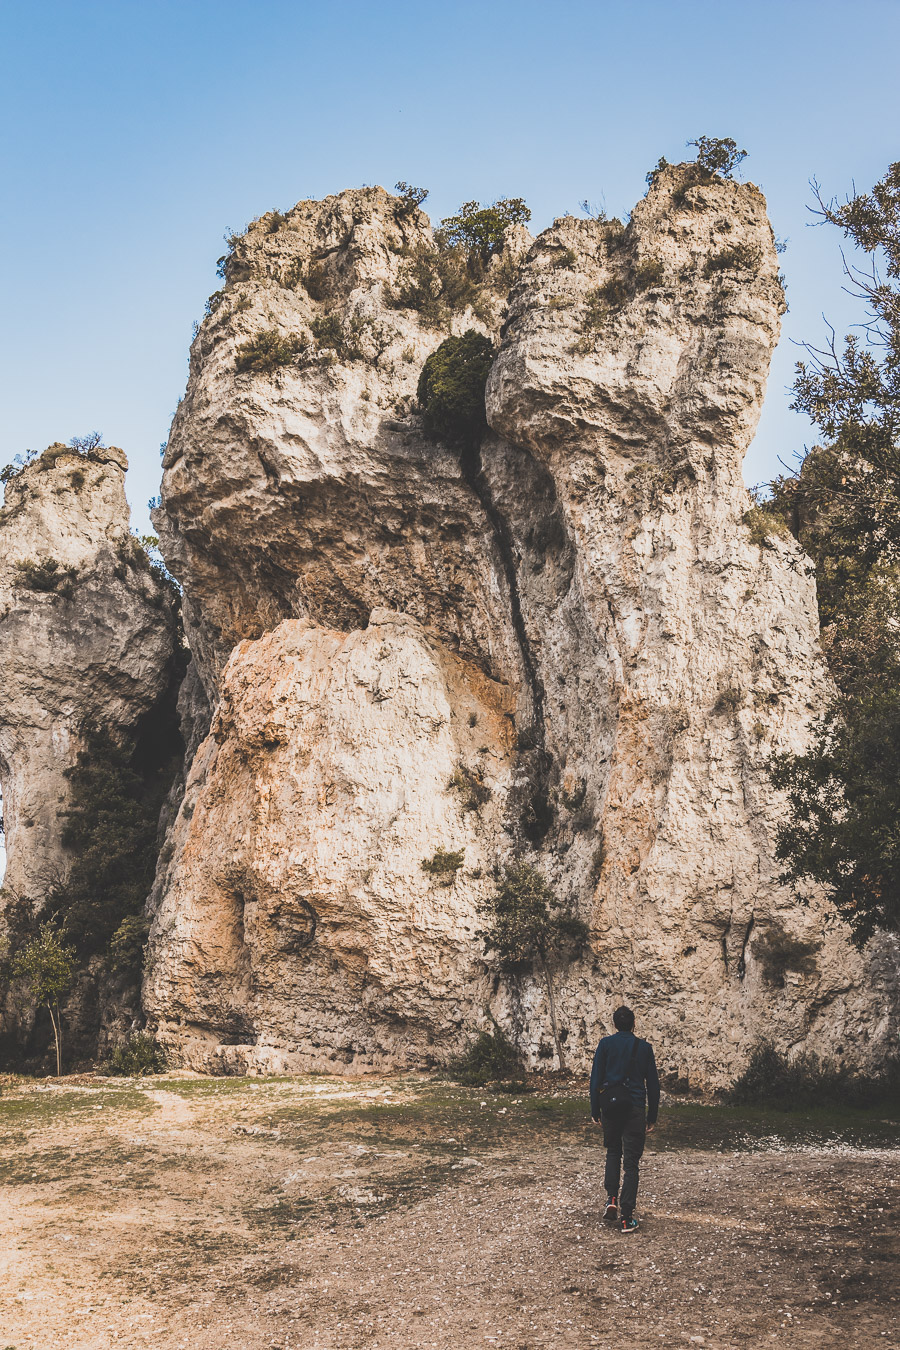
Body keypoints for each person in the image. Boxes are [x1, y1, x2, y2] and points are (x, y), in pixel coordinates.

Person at [589, 1005, 660, 1233]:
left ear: (614, 1024)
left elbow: (595, 1079)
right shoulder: (645, 1048)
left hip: (610, 1106)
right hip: (635, 1108)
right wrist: (652, 1116)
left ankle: (611, 1198)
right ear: (634, 1024)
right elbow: (654, 1085)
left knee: (612, 1151)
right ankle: (627, 1217)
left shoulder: (605, 1045)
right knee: (631, 1164)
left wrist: (594, 1110)